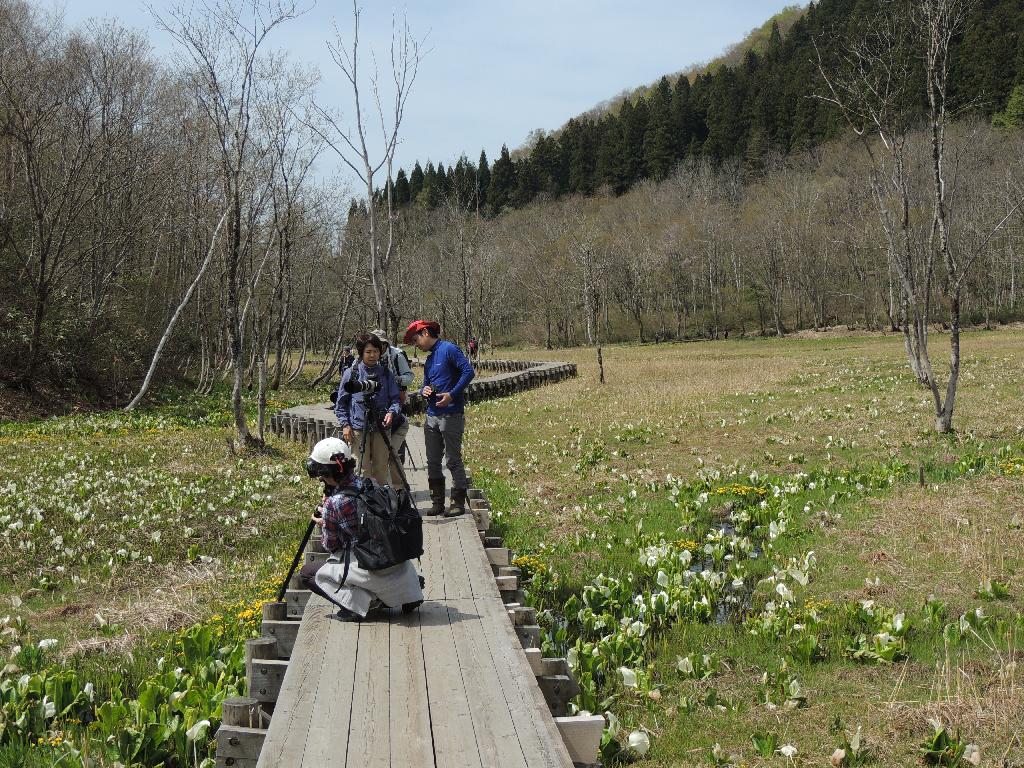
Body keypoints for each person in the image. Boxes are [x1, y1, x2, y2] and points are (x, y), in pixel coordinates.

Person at [299, 437, 423, 622]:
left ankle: (360, 604)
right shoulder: (369, 483)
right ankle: (401, 590)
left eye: (321, 474)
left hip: (369, 562)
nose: (320, 478)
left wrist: (324, 521)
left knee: (307, 573)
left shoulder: (335, 503)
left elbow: (331, 546)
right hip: (393, 556)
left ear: (327, 472)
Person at [403, 319, 475, 516]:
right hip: (432, 415)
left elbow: (469, 372)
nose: (416, 344)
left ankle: (458, 502)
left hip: (451, 414)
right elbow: (426, 383)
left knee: (452, 459)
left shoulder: (449, 349)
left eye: (416, 339)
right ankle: (437, 502)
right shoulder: (429, 360)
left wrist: (452, 394)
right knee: (433, 461)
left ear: (425, 332)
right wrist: (423, 389)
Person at [334, 333, 403, 486]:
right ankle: (364, 505)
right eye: (368, 352)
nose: (373, 355)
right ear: (361, 353)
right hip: (358, 429)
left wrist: (392, 412)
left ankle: (381, 503)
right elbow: (341, 404)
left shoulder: (386, 373)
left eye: (376, 351)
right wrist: (345, 425)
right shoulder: (351, 373)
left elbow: (395, 400)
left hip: (381, 427)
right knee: (361, 469)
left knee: (381, 469)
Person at [369, 328, 414, 488]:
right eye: (376, 344)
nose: (378, 348)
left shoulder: (397, 355)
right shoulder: (369, 356)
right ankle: (385, 488)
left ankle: (399, 488)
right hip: (377, 407)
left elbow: (410, 378)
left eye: (381, 344)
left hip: (397, 403)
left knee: (394, 451)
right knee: (378, 454)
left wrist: (393, 379)